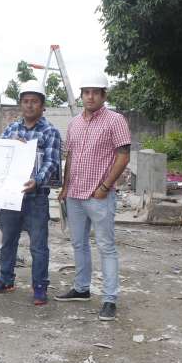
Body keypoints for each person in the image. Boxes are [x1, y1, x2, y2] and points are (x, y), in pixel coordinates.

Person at [54, 72, 131, 321]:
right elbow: (70, 157)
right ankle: (81, 288)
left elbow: (123, 156)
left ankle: (109, 299)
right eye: (86, 92)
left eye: (95, 92)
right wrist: (65, 187)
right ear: (81, 95)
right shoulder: (74, 123)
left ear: (103, 95)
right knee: (79, 243)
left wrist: (105, 187)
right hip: (75, 194)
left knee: (106, 246)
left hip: (99, 195)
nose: (90, 97)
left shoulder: (115, 120)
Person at [0, 80, 62, 305]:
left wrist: (37, 181)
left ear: (42, 105)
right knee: (8, 241)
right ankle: (6, 279)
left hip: (36, 199)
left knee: (38, 246)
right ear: (21, 104)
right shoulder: (11, 130)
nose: (29, 105)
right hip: (11, 198)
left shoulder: (50, 132)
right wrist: (10, 145)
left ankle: (39, 286)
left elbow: (51, 162)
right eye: (26, 101)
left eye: (34, 101)